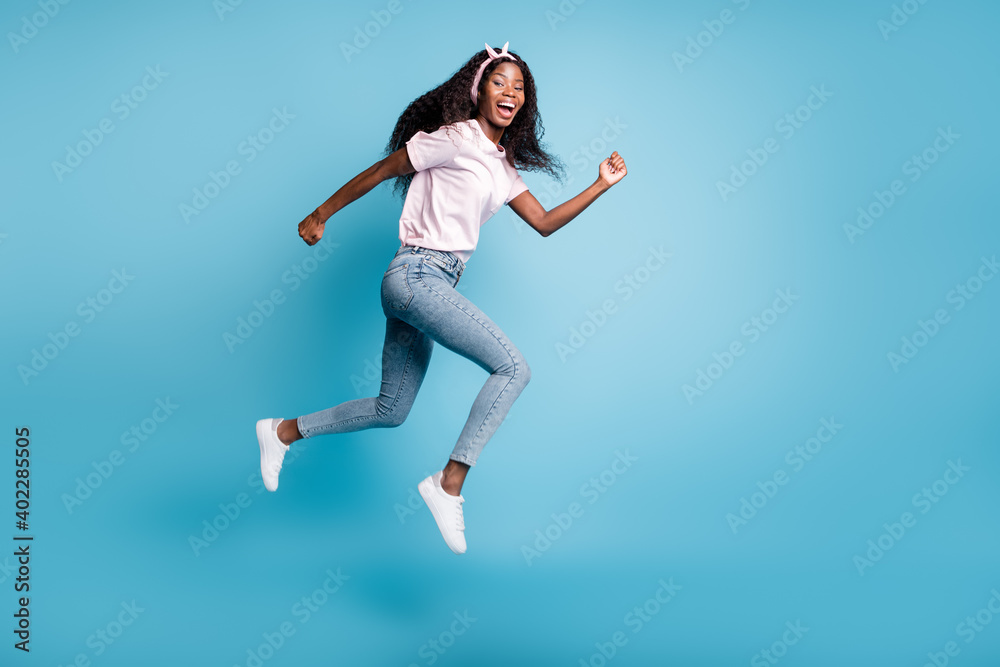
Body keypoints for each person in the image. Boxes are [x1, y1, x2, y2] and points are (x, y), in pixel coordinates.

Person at [256, 41, 627, 555]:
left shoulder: (500, 166)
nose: (511, 92)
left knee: (392, 408)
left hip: (433, 284)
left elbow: (543, 223)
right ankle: (448, 483)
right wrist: (321, 214)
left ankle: (282, 432)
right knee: (513, 369)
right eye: (500, 82)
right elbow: (382, 171)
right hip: (416, 274)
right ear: (478, 92)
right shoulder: (454, 138)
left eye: (519, 88)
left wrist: (600, 185)